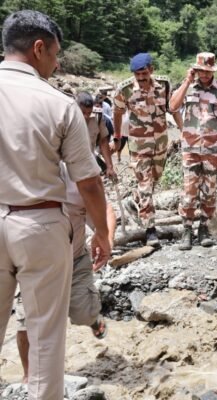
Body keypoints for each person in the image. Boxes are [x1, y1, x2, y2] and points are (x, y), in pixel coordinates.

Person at [0, 10, 110, 399]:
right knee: (46, 336)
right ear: (38, 48)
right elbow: (89, 182)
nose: (57, 63)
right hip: (39, 224)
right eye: (55, 53)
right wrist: (102, 233)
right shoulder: (57, 104)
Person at [15, 163, 118, 383]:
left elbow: (106, 211)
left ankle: (93, 319)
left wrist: (106, 238)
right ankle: (29, 377)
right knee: (26, 323)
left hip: (75, 260)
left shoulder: (77, 181)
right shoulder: (18, 177)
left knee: (83, 313)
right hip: (34, 266)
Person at [112, 53, 182, 246]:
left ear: (151, 69)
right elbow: (117, 112)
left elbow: (173, 108)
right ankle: (150, 230)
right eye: (137, 74)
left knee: (154, 180)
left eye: (144, 73)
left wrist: (183, 130)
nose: (141, 78)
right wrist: (117, 137)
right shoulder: (125, 89)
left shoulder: (164, 84)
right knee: (145, 183)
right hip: (139, 145)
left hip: (161, 142)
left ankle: (134, 200)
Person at [169, 52, 217, 250]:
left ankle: (204, 228)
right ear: (195, 70)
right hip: (190, 148)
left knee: (210, 190)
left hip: (214, 148)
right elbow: (172, 107)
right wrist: (187, 81)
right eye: (201, 71)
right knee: (189, 190)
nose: (205, 75)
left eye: (208, 71)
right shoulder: (188, 87)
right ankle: (187, 229)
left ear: (213, 70)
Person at [78, 92, 117, 179]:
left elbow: (103, 141)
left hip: (89, 162)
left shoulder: (97, 116)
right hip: (71, 163)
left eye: (89, 112)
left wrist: (109, 166)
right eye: (83, 112)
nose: (86, 116)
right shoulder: (67, 116)